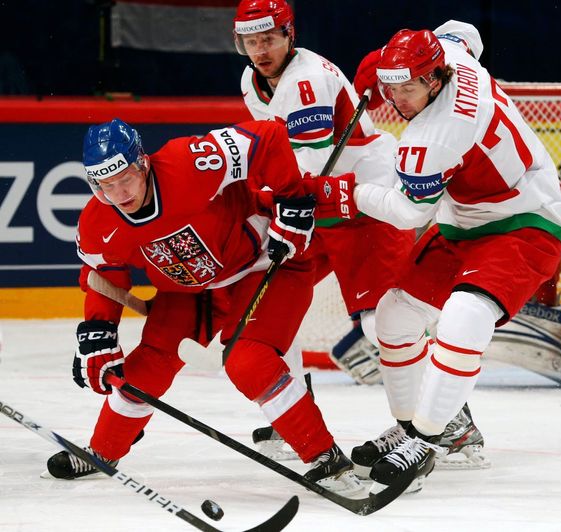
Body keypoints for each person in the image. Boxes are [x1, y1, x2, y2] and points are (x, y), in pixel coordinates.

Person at [43, 118, 364, 496]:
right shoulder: (99, 221)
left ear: (142, 163)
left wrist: (291, 197)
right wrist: (100, 331)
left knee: (250, 362)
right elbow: (104, 274)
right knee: (146, 367)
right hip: (189, 291)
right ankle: (102, 452)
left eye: (125, 178)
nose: (119, 192)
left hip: (262, 265)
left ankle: (327, 460)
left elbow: (268, 136)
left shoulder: (189, 162)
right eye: (106, 185)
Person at [348, 22, 561, 492]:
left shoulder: (434, 135)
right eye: (391, 87)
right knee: (393, 319)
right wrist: (386, 68)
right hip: (467, 219)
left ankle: (431, 441)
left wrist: (346, 193)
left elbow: (409, 213)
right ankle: (414, 429)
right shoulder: (451, 54)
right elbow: (462, 29)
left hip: (526, 219)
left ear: (433, 80)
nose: (396, 101)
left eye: (406, 88)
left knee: (465, 317)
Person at [232, 0, 435, 457]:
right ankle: (292, 415)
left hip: (361, 201)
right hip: (313, 203)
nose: (260, 50)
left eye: (269, 39)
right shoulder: (251, 81)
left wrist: (263, 199)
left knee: (381, 323)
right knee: (272, 306)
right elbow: (286, 165)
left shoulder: (307, 81)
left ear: (289, 35)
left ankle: (446, 425)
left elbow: (307, 163)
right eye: (251, 41)